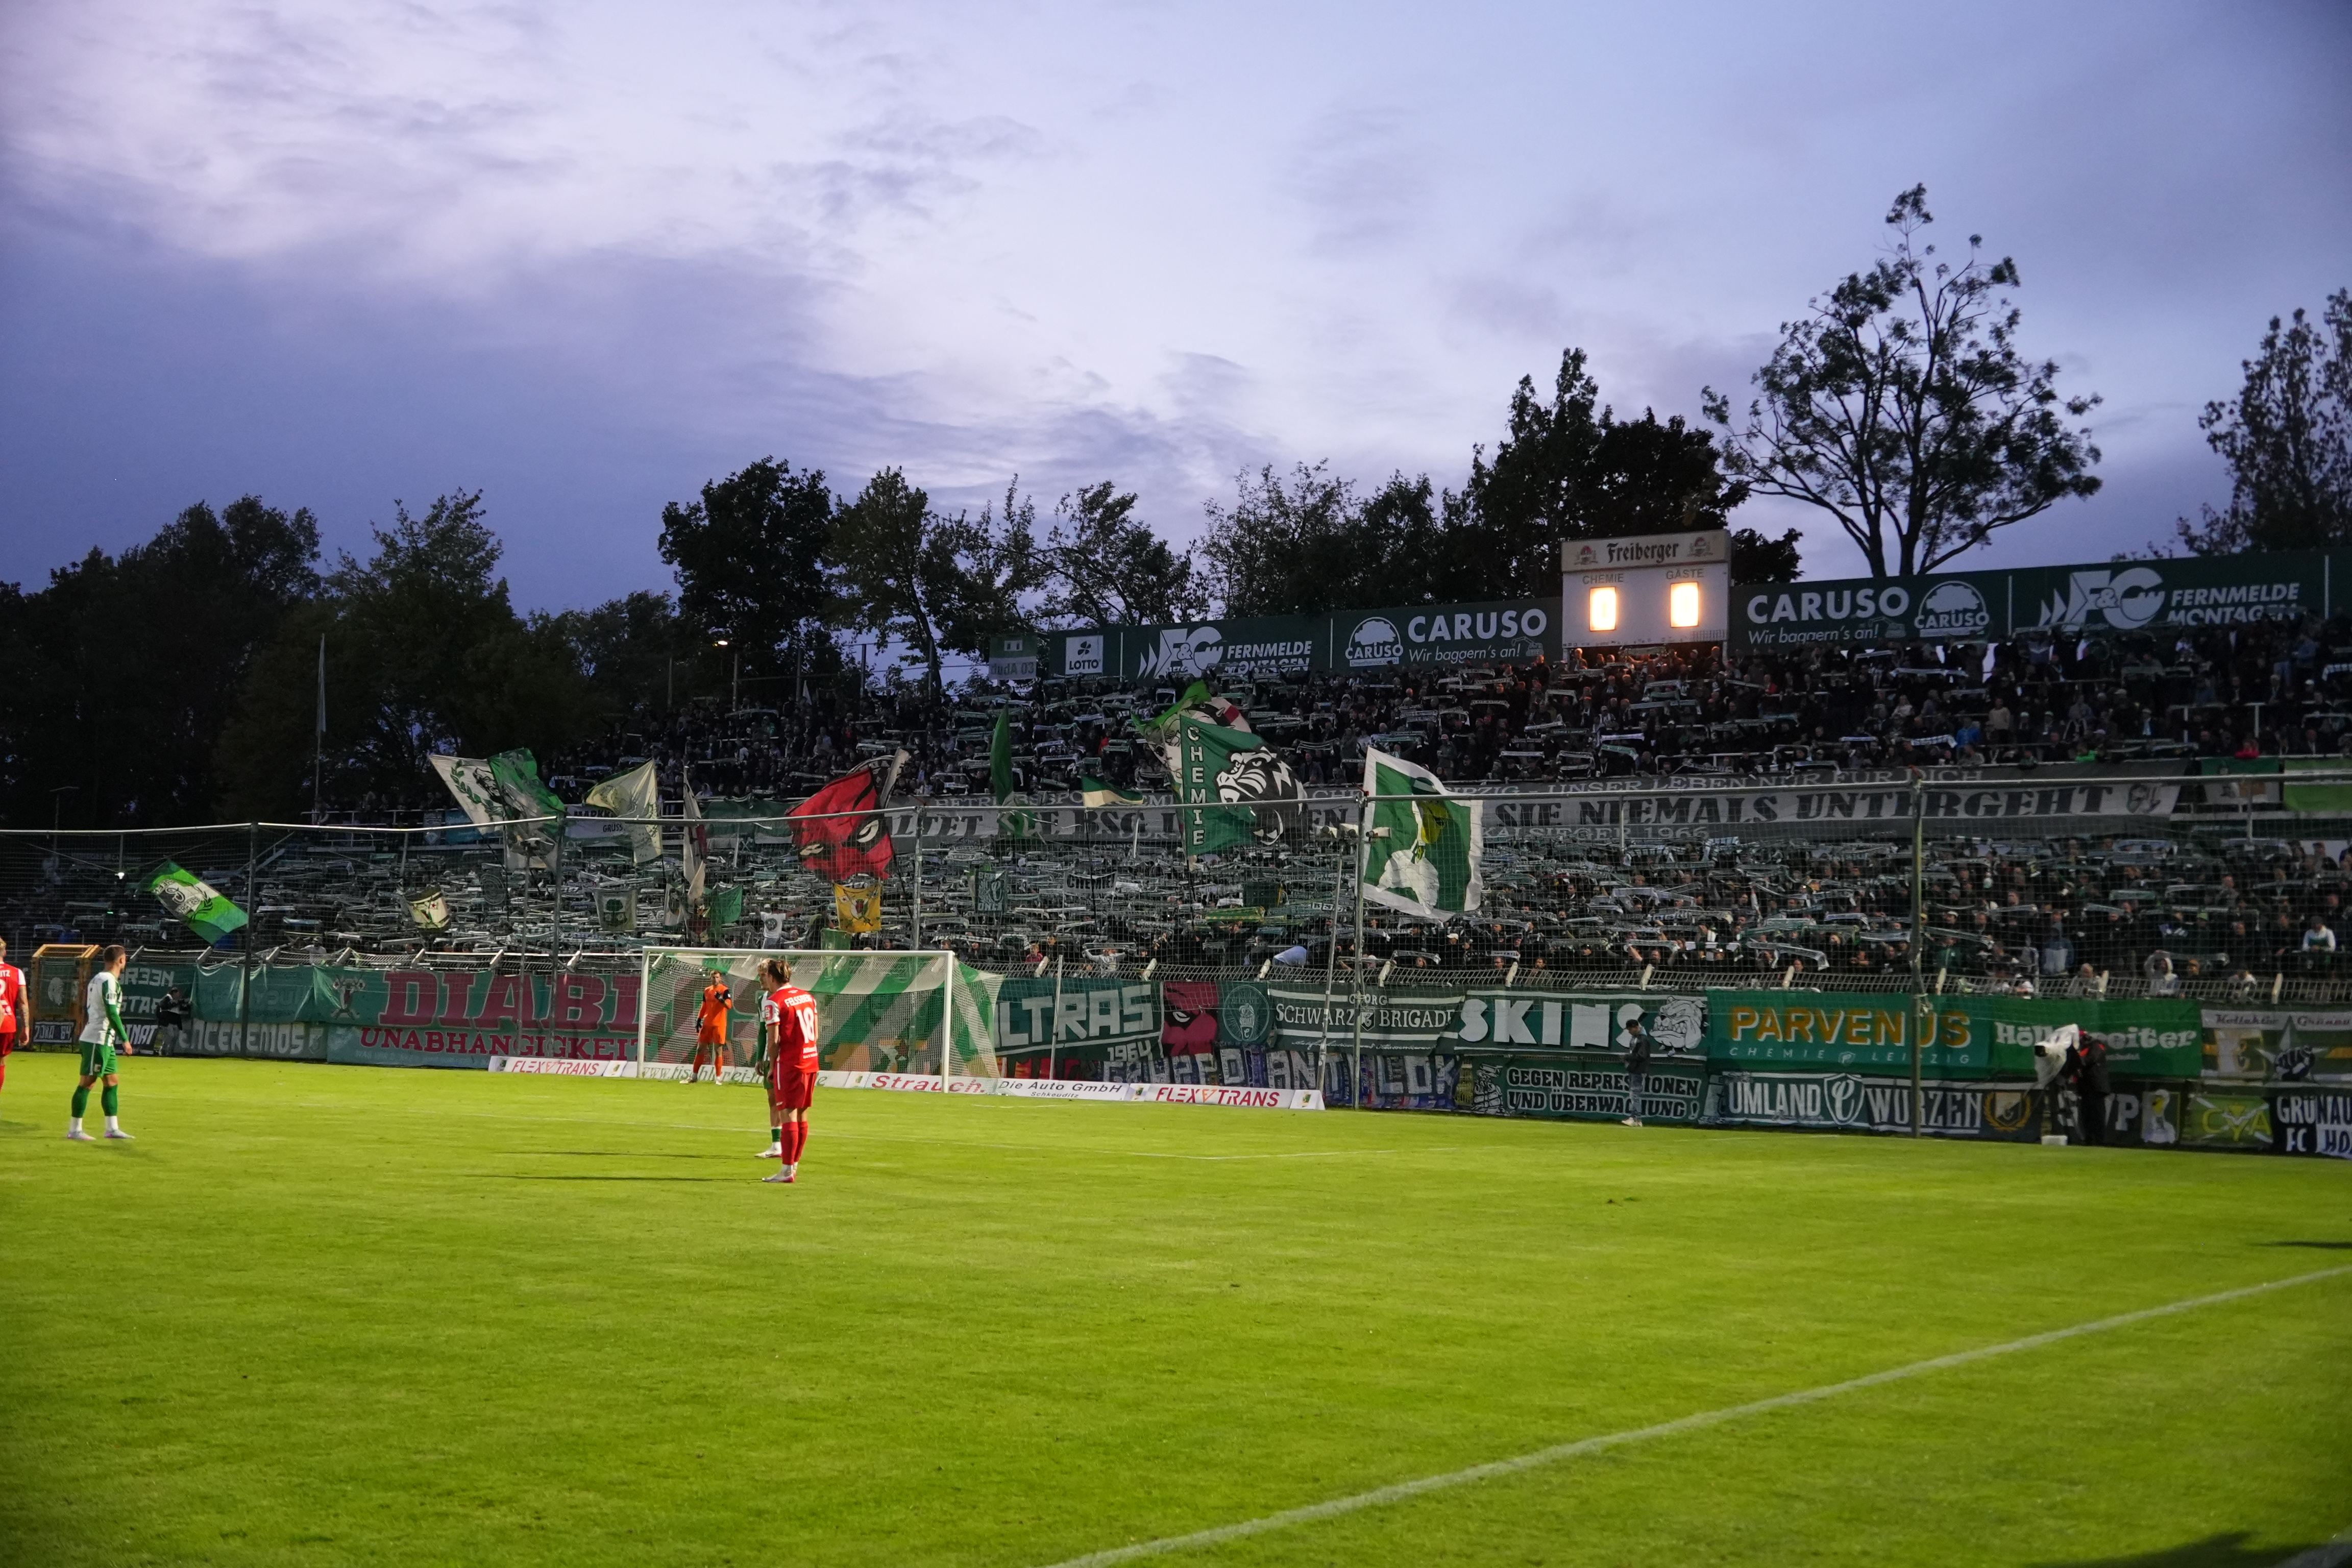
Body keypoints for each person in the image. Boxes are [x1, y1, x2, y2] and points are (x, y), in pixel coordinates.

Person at [758, 958, 822, 1184]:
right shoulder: (808, 996)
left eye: (764, 976)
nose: (761, 979)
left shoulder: (774, 1002)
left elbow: (774, 1041)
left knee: (788, 1115)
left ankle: (786, 1171)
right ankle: (793, 1166)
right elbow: (815, 1031)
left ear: (773, 978)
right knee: (803, 1114)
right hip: (811, 1060)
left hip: (790, 1063)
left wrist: (772, 1066)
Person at [70, 945, 133, 1141]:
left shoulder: (98, 978)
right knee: (87, 1083)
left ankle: (112, 1128)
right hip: (98, 1038)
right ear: (121, 961)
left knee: (112, 1081)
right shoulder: (109, 981)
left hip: (104, 1039)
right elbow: (112, 1012)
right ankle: (75, 1130)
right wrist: (126, 1039)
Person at [687, 967, 732, 1084]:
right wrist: (699, 1019)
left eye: (717, 977)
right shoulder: (707, 990)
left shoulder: (725, 990)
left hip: (719, 1024)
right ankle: (694, 1076)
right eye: (713, 977)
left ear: (721, 978)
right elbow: (704, 1006)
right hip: (707, 1024)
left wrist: (721, 1000)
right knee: (700, 1048)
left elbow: (729, 1006)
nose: (715, 979)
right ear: (710, 978)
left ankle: (718, 1078)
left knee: (718, 1050)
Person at [1620, 1017, 1656, 1128]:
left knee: (1635, 1094)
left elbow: (1642, 1055)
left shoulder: (1642, 1039)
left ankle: (1635, 1118)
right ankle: (1636, 1119)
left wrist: (1627, 1057)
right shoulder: (1637, 1038)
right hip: (1635, 1069)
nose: (1629, 1032)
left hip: (1639, 1070)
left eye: (1630, 1029)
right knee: (1634, 1094)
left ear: (1636, 1028)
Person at [0, 937, 24, 1095]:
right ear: (5, 952)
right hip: (7, 1024)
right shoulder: (17, 972)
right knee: (1, 1063)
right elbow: (23, 1002)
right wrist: (27, 1027)